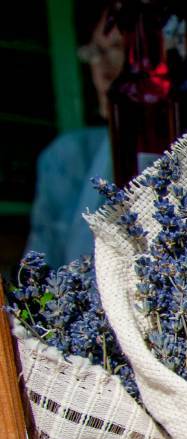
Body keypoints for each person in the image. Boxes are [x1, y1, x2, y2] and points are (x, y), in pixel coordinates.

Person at [25, 2, 120, 265]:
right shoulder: (68, 156)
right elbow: (40, 271)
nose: (104, 71)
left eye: (118, 50)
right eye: (96, 52)